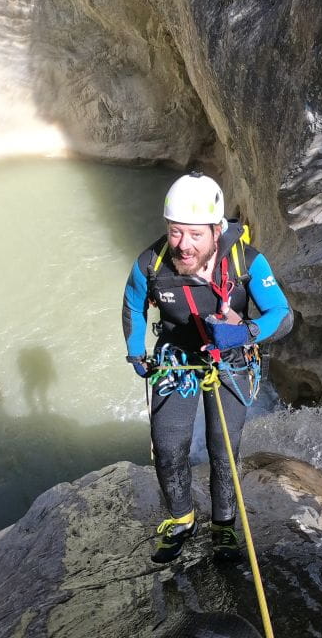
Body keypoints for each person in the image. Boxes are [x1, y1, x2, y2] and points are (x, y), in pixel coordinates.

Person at [122, 172, 293, 563]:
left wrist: (247, 331)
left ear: (217, 230)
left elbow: (282, 315)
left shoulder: (245, 262)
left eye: (195, 235)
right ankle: (182, 522)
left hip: (230, 360)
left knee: (223, 451)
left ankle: (224, 527)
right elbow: (133, 303)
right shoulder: (152, 262)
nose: (183, 245)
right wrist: (136, 351)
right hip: (176, 360)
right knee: (167, 448)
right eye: (175, 232)